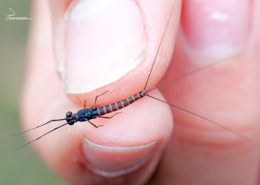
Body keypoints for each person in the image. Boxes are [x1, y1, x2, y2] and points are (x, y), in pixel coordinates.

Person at [21, 0, 260, 184]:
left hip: (111, 105)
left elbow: (98, 114)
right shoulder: (87, 116)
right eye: (71, 119)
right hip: (108, 106)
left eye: (71, 118)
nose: (71, 118)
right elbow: (97, 113)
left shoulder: (84, 117)